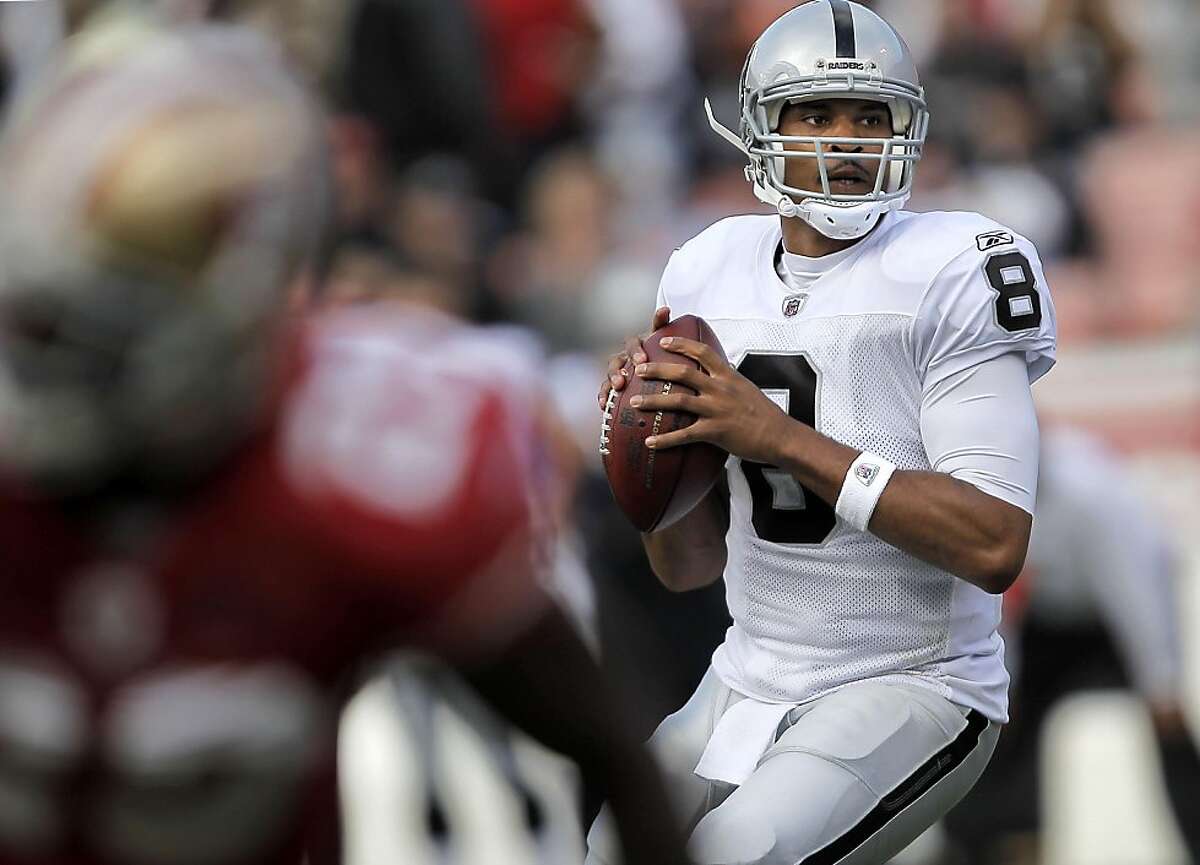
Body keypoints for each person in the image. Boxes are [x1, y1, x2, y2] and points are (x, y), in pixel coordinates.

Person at [0, 18, 684, 865]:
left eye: (88, 331)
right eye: (28, 319)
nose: (41, 363)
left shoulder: (369, 466)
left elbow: (611, 747)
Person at [589, 2, 1057, 863]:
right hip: (747, 676)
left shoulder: (957, 268)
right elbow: (688, 565)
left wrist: (776, 437)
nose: (847, 140)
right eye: (816, 114)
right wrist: (650, 439)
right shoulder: (706, 268)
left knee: (736, 855)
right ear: (761, 127)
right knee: (610, 844)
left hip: (915, 681)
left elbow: (994, 542)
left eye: (870, 116)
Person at [944, 425, 1200, 864]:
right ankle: (987, 843)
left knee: (1168, 728)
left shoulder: (1091, 495)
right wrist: (1002, 691)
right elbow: (994, 601)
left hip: (1111, 617)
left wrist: (1161, 686)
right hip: (1047, 617)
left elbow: (1136, 591)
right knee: (990, 713)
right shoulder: (982, 494)